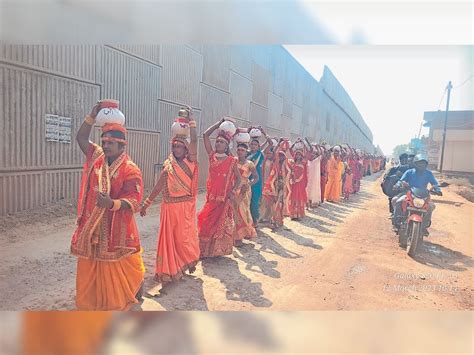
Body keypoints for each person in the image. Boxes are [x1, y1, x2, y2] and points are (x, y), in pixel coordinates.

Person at [71, 102, 145, 311]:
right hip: (92, 227)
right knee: (89, 265)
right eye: (104, 141)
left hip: (114, 228)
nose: (105, 146)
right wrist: (92, 116)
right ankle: (91, 301)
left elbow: (135, 200)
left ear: (122, 146)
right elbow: (81, 139)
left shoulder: (131, 170)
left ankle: (121, 296)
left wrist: (111, 203)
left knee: (120, 266)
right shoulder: (97, 158)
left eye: (110, 143)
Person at [140, 107, 200, 285]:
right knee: (169, 241)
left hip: (184, 208)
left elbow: (195, 139)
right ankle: (170, 270)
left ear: (186, 149)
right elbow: (159, 185)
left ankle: (182, 264)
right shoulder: (169, 164)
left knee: (182, 240)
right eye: (174, 146)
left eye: (180, 146)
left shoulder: (191, 162)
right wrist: (147, 203)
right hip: (168, 207)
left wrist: (192, 121)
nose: (176, 149)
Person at [197, 119, 242, 258]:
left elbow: (239, 179)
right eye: (217, 141)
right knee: (206, 222)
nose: (218, 143)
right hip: (211, 198)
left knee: (219, 226)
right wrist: (219, 123)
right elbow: (205, 135)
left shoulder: (232, 161)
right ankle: (204, 251)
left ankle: (216, 251)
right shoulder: (212, 157)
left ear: (227, 145)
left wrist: (233, 191)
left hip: (224, 198)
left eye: (221, 142)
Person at [392, 155, 441, 236]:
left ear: (426, 165)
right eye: (419, 163)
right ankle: (397, 222)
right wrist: (398, 185)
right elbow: (401, 181)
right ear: (415, 164)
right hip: (409, 193)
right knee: (397, 201)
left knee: (431, 206)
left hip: (423, 195)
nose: (421, 165)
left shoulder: (428, 173)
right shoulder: (409, 172)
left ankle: (424, 226)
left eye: (423, 164)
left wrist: (437, 190)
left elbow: (435, 183)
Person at [234, 142, 259, 246]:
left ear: (246, 152)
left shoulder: (250, 164)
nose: (240, 152)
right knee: (234, 211)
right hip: (234, 188)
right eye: (238, 150)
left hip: (244, 190)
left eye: (242, 150)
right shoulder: (233, 161)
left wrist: (248, 184)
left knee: (243, 211)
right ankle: (235, 236)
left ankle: (242, 235)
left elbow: (256, 178)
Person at [247, 127, 271, 227]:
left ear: (258, 146)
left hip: (256, 182)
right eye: (252, 144)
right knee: (246, 202)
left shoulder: (261, 154)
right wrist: (248, 131)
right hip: (247, 179)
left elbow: (270, 143)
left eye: (255, 144)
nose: (253, 146)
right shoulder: (246, 154)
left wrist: (264, 132)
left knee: (254, 202)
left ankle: (255, 221)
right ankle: (247, 221)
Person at [288, 138, 311, 220]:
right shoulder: (293, 162)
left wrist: (305, 142)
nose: (298, 156)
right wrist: (295, 142)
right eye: (297, 155)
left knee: (299, 197)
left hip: (301, 183)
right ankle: (293, 214)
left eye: (300, 155)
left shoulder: (304, 162)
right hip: (294, 183)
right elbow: (290, 149)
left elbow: (309, 151)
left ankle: (299, 214)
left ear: (302, 156)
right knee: (293, 197)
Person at [306, 144, 322, 208]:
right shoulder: (308, 161)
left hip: (315, 180)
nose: (313, 155)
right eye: (312, 154)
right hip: (308, 179)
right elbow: (307, 152)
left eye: (314, 154)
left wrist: (318, 147)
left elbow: (320, 154)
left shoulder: (317, 161)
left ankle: (312, 203)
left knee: (313, 191)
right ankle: (307, 204)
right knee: (308, 191)